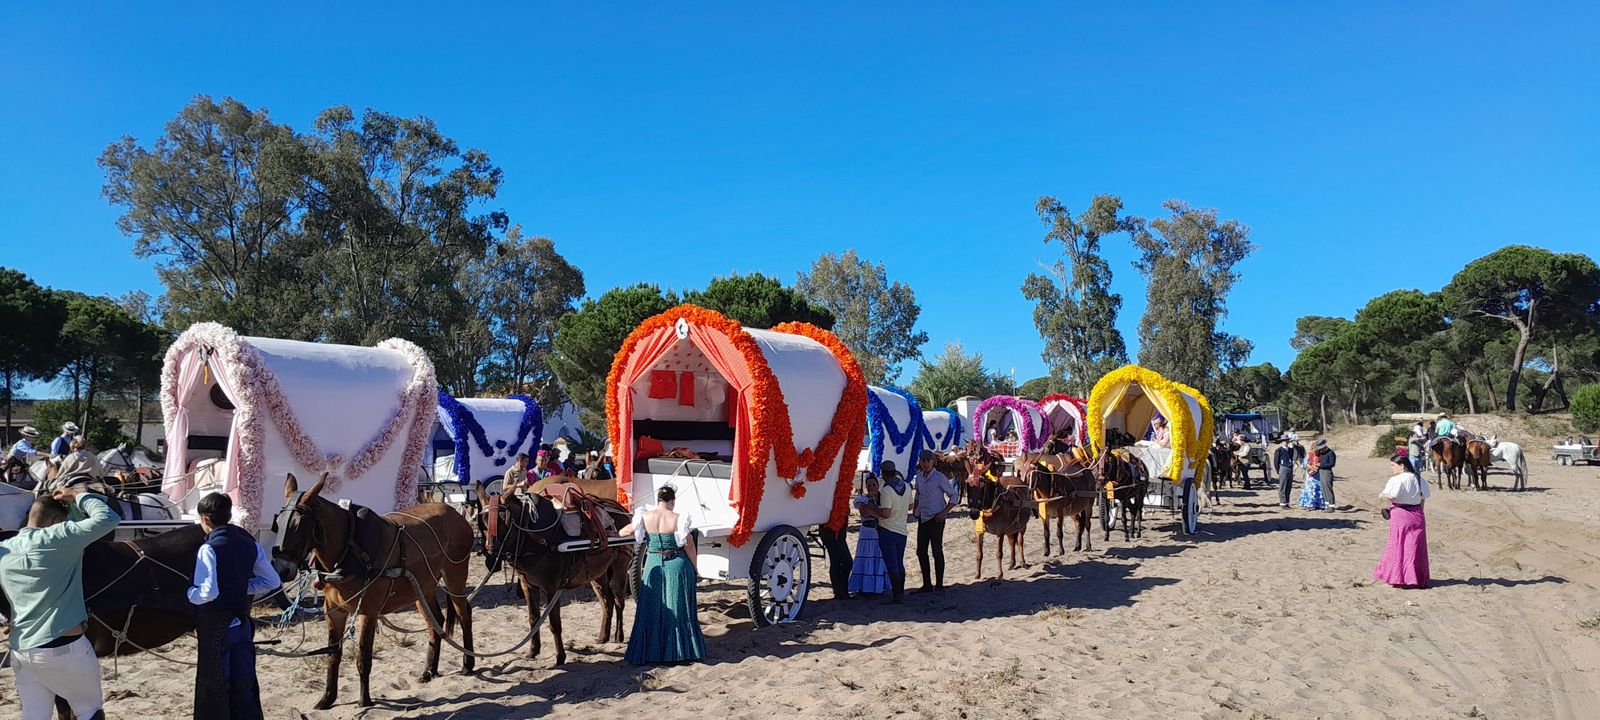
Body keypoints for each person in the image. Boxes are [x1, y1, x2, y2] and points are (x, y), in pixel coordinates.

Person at [0, 485, 122, 720]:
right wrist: (79, 496)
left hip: (22, 649)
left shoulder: (5, 548)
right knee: (90, 712)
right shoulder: (58, 537)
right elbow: (108, 518)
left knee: (34, 716)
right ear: (57, 521)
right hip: (64, 648)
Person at [189, 492, 280, 720]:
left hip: (216, 625)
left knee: (215, 683)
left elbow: (208, 592)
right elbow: (272, 581)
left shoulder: (208, 548)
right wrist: (242, 587)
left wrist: (191, 594)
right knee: (243, 682)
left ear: (206, 520)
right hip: (242, 624)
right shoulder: (251, 544)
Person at [622, 485, 705, 664]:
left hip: (653, 563)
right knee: (678, 609)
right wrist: (696, 568)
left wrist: (615, 532)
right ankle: (678, 651)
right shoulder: (678, 518)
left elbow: (627, 531)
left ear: (658, 500)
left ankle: (650, 651)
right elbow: (688, 544)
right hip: (677, 565)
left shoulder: (644, 516)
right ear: (672, 501)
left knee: (651, 609)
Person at [1373, 451, 1431, 589]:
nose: (1391, 468)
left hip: (1400, 513)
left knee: (1398, 545)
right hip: (1417, 514)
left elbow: (1393, 496)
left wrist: (1382, 495)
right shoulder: (1419, 479)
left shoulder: (1397, 479)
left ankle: (1399, 577)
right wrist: (1420, 513)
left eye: (1393, 465)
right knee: (1415, 547)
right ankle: (1416, 577)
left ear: (1402, 466)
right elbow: (1423, 499)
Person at [866, 460, 913, 604]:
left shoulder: (887, 489)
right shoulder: (906, 486)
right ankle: (900, 592)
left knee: (892, 563)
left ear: (884, 473)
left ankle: (897, 595)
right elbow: (910, 506)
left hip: (888, 529)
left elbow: (886, 513)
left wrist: (874, 508)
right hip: (902, 530)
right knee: (899, 563)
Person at [911, 450, 957, 593]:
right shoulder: (918, 478)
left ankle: (939, 585)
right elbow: (918, 493)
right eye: (923, 461)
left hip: (936, 518)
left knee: (937, 551)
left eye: (927, 461)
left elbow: (954, 496)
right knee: (921, 551)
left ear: (933, 462)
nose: (925, 464)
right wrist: (916, 508)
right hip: (923, 518)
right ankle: (927, 584)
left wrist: (944, 513)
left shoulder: (939, 478)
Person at [847, 473, 889, 596]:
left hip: (878, 532)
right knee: (866, 558)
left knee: (878, 558)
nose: (871, 487)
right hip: (867, 533)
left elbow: (884, 514)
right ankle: (865, 586)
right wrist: (875, 512)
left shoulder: (884, 499)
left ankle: (877, 586)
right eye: (869, 485)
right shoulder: (862, 499)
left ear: (878, 485)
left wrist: (874, 511)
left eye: (873, 485)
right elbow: (864, 512)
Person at [1298, 444, 1325, 510]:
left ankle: (1319, 504)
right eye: (1314, 449)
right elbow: (1304, 464)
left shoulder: (1321, 455)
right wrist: (1311, 467)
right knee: (1310, 488)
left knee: (1318, 488)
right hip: (1310, 474)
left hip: (1318, 475)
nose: (1316, 450)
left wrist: (1317, 467)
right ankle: (1309, 504)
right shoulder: (1309, 455)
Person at [1313, 439, 1338, 510]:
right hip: (1321, 472)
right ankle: (1327, 504)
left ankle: (1331, 506)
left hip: (1327, 472)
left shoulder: (1331, 453)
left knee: (1328, 488)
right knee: (1324, 489)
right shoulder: (1322, 453)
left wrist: (1320, 465)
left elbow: (1332, 464)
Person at [1274, 437, 1297, 508]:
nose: (1286, 442)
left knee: (1288, 485)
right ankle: (1282, 502)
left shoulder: (1291, 450)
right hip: (1283, 467)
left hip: (1290, 467)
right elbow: (1276, 461)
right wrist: (1278, 470)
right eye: (1284, 441)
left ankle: (1287, 502)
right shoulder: (1279, 450)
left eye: (1287, 441)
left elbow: (1292, 457)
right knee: (1283, 486)